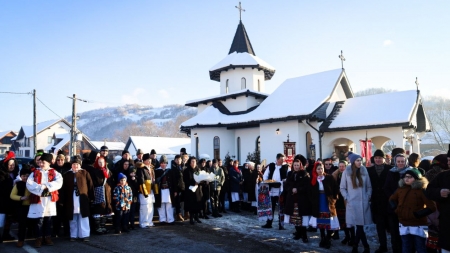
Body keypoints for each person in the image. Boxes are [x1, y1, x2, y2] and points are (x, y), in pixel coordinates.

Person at [390, 168, 436, 253]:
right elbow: (391, 199)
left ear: (416, 178)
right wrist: (397, 210)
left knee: (420, 247)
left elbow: (432, 206)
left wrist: (417, 214)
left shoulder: (422, 190)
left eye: (410, 177)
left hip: (418, 224)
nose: (406, 179)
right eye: (405, 177)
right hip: (403, 223)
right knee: (406, 246)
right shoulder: (401, 188)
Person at [26, 153, 63, 248]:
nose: (41, 164)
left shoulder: (54, 172)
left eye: (43, 162)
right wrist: (40, 188)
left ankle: (47, 237)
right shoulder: (34, 172)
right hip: (39, 199)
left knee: (48, 219)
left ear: (49, 163)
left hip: (49, 199)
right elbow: (29, 184)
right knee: (39, 220)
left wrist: (48, 186)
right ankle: (38, 238)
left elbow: (59, 182)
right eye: (40, 162)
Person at [340, 154, 373, 253]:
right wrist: (347, 197)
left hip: (363, 202)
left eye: (360, 160)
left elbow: (369, 187)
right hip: (352, 202)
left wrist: (367, 196)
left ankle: (357, 246)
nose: (360, 162)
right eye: (357, 160)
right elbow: (342, 187)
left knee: (359, 226)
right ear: (353, 161)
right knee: (359, 226)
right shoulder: (347, 171)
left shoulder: (364, 170)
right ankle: (364, 246)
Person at [61, 156, 94, 242]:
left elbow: (90, 186)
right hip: (71, 198)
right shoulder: (67, 174)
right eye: (74, 164)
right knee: (73, 217)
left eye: (77, 164)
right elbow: (63, 188)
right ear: (71, 165)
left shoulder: (85, 173)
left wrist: (91, 197)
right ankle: (73, 235)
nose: (75, 166)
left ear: (80, 164)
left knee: (83, 217)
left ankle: (85, 234)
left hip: (82, 198)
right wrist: (62, 200)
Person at [309, 161, 339, 249]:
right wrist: (312, 200)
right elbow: (310, 191)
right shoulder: (313, 179)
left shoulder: (329, 178)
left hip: (328, 202)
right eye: (318, 169)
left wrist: (334, 199)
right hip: (318, 202)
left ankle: (328, 238)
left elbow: (335, 188)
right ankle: (322, 237)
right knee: (321, 221)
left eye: (321, 168)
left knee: (329, 220)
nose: (320, 170)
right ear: (315, 169)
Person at [383, 153, 409, 253]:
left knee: (406, 232)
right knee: (394, 232)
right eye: (398, 161)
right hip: (393, 207)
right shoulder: (391, 172)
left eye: (402, 161)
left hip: (407, 207)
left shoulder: (410, 172)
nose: (400, 163)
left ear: (405, 162)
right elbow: (386, 187)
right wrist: (393, 198)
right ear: (395, 162)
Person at [367, 149, 391, 253]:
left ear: (384, 159)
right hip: (376, 202)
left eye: (380, 158)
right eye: (376, 158)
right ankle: (383, 246)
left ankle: (395, 246)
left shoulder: (390, 169)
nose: (378, 160)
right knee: (380, 227)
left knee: (391, 226)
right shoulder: (369, 170)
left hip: (389, 201)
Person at [426, 149, 450, 253]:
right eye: (448, 160)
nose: (448, 163)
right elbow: (429, 191)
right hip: (447, 223)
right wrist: (439, 192)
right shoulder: (443, 176)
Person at [284, 156, 311, 243]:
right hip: (292, 199)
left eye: (297, 165)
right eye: (295, 165)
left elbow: (306, 186)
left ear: (300, 166)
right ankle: (298, 233)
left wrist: (298, 189)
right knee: (294, 218)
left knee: (302, 219)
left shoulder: (304, 174)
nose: (296, 167)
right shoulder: (290, 174)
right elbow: (287, 185)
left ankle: (304, 235)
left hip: (301, 200)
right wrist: (291, 189)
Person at [86, 155, 114, 235]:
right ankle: (98, 228)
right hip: (98, 192)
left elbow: (111, 182)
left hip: (107, 193)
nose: (101, 163)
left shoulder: (108, 171)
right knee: (99, 209)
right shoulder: (94, 171)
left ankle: (103, 226)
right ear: (97, 163)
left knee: (105, 210)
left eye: (102, 162)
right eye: (99, 162)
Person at [262, 153, 289, 229]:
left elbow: (289, 177)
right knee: (271, 207)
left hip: (281, 189)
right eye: (281, 159)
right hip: (272, 189)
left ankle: (281, 225)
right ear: (277, 159)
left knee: (281, 208)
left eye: (283, 159)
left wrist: (284, 181)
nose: (282, 161)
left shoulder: (286, 167)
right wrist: (268, 181)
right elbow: (265, 175)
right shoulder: (271, 166)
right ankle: (269, 223)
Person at [332, 160, 353, 246]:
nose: (341, 168)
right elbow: (332, 178)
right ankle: (347, 236)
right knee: (342, 220)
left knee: (348, 220)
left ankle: (352, 237)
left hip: (346, 199)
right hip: (339, 200)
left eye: (343, 166)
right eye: (339, 166)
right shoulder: (337, 175)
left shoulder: (349, 174)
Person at [9, 168, 31, 248]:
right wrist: (21, 198)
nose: (25, 178)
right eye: (23, 176)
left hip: (32, 207)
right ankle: (20, 240)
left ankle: (33, 237)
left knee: (33, 224)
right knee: (22, 224)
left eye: (27, 176)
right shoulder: (18, 184)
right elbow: (12, 195)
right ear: (21, 176)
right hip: (22, 207)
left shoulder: (33, 184)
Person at [51, 154, 71, 237]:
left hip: (66, 193)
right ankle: (56, 231)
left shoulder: (68, 168)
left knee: (66, 214)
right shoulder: (53, 169)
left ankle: (67, 232)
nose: (60, 162)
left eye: (62, 160)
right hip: (57, 193)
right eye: (58, 160)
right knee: (56, 214)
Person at [0, 153, 19, 243]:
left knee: (9, 219)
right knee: (1, 220)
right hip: (3, 200)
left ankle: (6, 234)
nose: (11, 166)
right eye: (10, 165)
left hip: (12, 200)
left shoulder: (15, 174)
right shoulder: (2, 174)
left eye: (13, 165)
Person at [136, 153, 155, 228]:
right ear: (144, 161)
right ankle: (143, 222)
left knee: (150, 206)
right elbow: (141, 180)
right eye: (147, 160)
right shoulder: (141, 169)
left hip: (151, 189)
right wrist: (144, 191)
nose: (149, 161)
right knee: (144, 207)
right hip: (144, 190)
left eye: (150, 159)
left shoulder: (151, 168)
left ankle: (149, 221)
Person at [154, 155, 175, 224]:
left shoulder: (170, 171)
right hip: (161, 190)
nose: (163, 164)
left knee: (169, 205)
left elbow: (173, 181)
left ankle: (170, 219)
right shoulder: (156, 171)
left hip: (168, 190)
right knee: (161, 205)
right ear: (160, 163)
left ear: (167, 163)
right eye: (162, 163)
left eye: (164, 163)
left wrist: (174, 190)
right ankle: (162, 219)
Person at [183, 156, 203, 225]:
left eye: (194, 161)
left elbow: (201, 178)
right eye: (192, 161)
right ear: (190, 162)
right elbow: (185, 180)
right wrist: (193, 183)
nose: (193, 163)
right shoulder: (186, 170)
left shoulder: (198, 170)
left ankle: (197, 217)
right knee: (191, 205)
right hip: (190, 190)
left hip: (197, 190)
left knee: (197, 204)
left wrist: (200, 182)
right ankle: (191, 218)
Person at [170, 155, 185, 222]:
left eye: (179, 159)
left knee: (182, 201)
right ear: (175, 160)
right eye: (177, 159)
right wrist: (175, 190)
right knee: (177, 202)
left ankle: (182, 214)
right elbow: (173, 180)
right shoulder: (173, 168)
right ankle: (178, 214)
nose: (178, 161)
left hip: (183, 187)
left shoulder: (183, 167)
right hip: (176, 187)